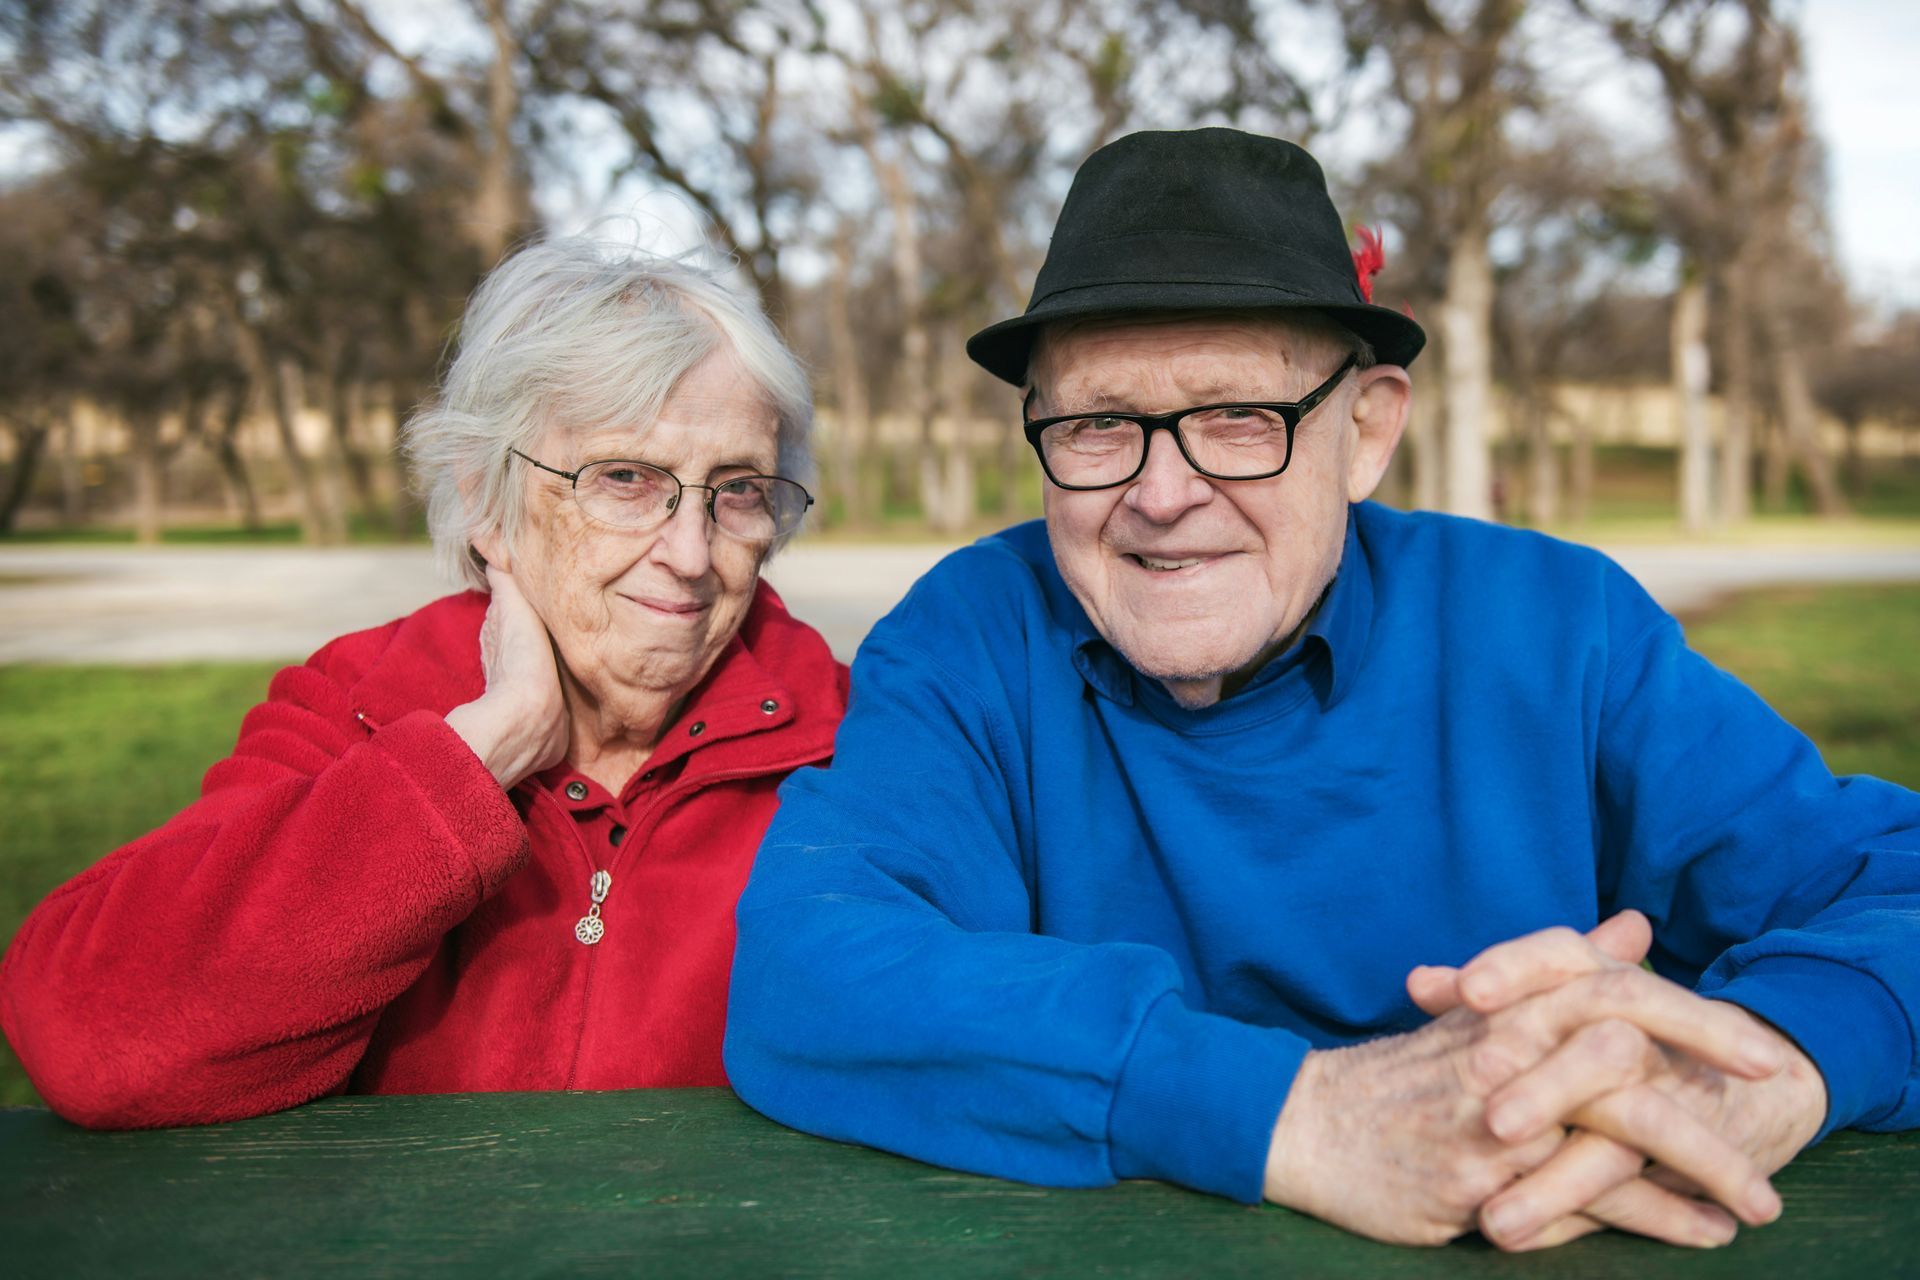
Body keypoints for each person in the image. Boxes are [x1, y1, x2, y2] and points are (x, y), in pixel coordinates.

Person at [723, 128, 1920, 1251]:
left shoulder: (1556, 624)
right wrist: (1299, 1114)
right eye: (1097, 425)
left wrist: (1767, 1066)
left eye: (1240, 418)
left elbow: (1890, 881)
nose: (1160, 492)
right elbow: (811, 963)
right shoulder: (971, 635)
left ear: (1367, 431)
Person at [1, 235, 846, 1128]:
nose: (689, 556)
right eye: (626, 478)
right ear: (486, 495)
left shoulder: (852, 737)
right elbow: (89, 1036)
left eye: (740, 488)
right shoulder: (364, 697)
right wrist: (475, 754)